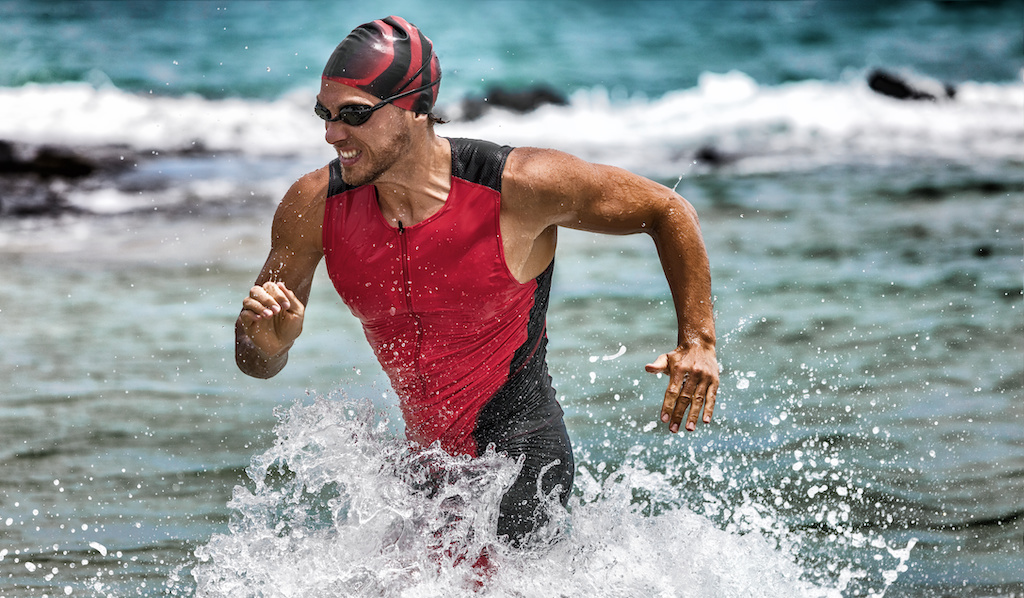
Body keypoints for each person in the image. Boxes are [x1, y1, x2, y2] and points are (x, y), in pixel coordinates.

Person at [235, 15, 719, 546]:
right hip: (425, 475)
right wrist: (268, 343)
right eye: (324, 114)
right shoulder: (313, 206)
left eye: (353, 114)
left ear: (416, 108)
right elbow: (255, 363)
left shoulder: (518, 187)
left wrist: (698, 342)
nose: (331, 134)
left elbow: (667, 210)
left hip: (520, 466)